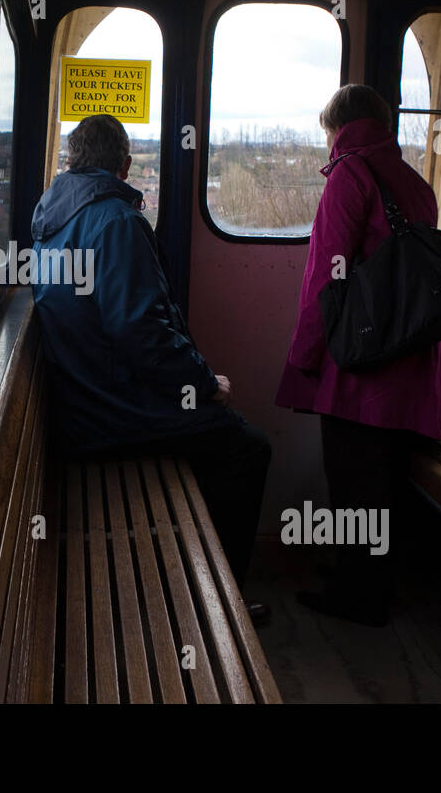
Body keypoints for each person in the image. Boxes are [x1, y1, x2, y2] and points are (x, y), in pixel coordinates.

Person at [31, 114, 273, 622]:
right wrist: (206, 384)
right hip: (112, 415)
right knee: (247, 449)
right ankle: (221, 606)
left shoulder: (52, 219)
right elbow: (139, 332)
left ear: (73, 162)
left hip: (84, 400)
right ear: (124, 165)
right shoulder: (117, 223)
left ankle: (193, 580)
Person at [275, 84, 441, 627]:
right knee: (384, 481)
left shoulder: (348, 176)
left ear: (337, 129)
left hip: (365, 364)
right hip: (416, 360)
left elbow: (324, 280)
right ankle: (371, 581)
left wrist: (306, 358)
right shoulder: (412, 180)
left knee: (354, 481)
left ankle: (359, 596)